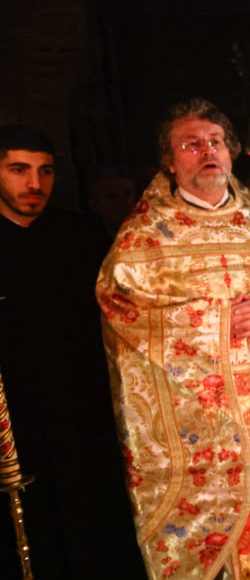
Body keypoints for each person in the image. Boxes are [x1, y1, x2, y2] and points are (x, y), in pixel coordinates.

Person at [97, 99, 250, 579]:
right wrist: (215, 321)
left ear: (232, 154)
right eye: (191, 145)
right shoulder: (145, 237)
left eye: (215, 142)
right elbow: (122, 304)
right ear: (170, 163)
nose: (206, 152)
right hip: (205, 426)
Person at [0, 125, 145, 578]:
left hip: (85, 415)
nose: (34, 184)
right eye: (18, 170)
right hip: (16, 423)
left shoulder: (80, 238)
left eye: (45, 171)